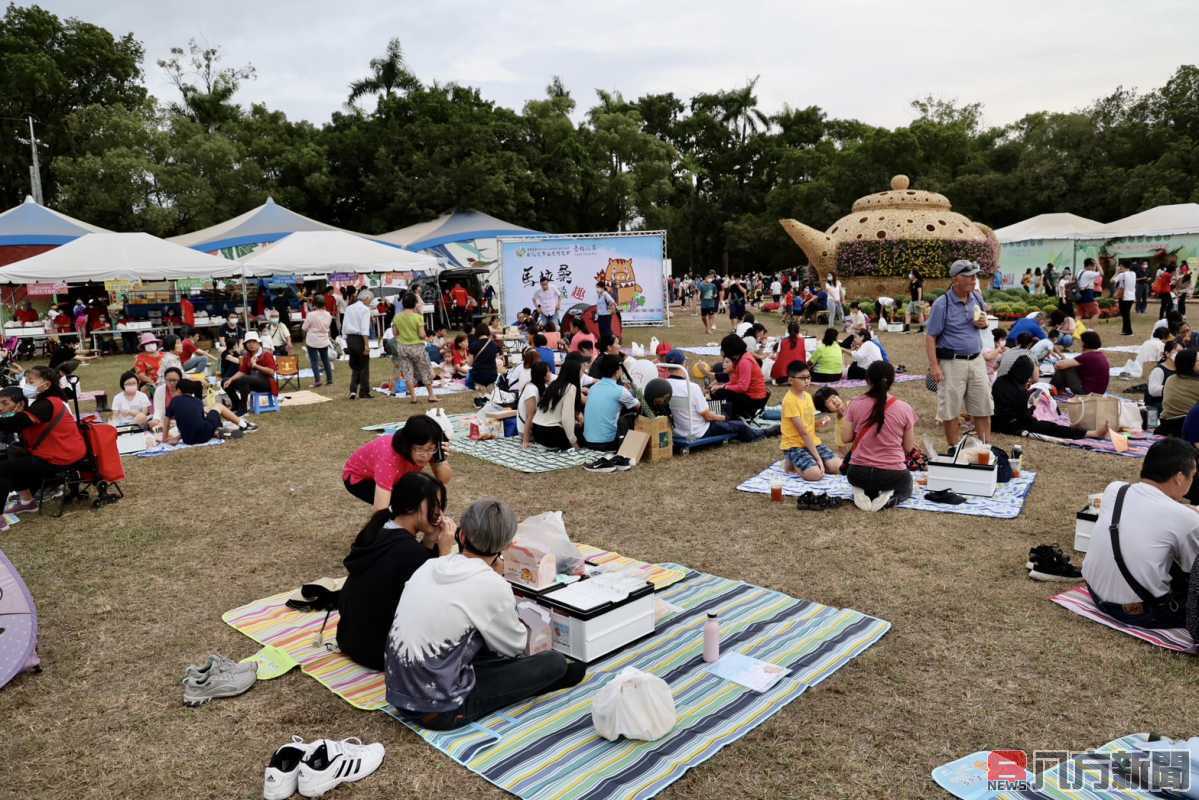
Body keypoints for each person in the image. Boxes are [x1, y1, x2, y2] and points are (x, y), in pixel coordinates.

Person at [386, 498, 586, 730]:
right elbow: (514, 646)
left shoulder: (428, 566)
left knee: (475, 638)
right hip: (439, 709)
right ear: (508, 545)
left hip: (397, 692)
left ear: (462, 536)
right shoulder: (491, 584)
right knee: (555, 663)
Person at [337, 473, 454, 671]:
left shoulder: (378, 531)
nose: (439, 514)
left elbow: (410, 569)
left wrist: (429, 542)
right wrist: (444, 553)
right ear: (410, 507)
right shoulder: (407, 551)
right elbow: (437, 602)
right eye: (434, 505)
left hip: (349, 639)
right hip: (380, 653)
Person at [1081, 437, 1199, 629]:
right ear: (1179, 478)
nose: (1192, 481)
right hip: (1141, 613)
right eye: (1192, 476)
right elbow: (1192, 573)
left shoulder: (1115, 489)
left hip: (1095, 593)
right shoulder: (1186, 519)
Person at [0, 371, 88, 530]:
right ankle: (28, 502)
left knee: (3, 468)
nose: (26, 384)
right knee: (15, 453)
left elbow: (15, 423)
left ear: (46, 385)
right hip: (62, 451)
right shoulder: (46, 402)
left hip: (61, 456)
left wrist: (15, 416)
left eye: (30, 381)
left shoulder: (46, 404)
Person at [925, 259, 993, 445]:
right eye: (969, 277)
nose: (973, 280)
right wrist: (934, 367)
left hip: (976, 360)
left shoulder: (977, 297)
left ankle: (985, 450)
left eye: (974, 276)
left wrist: (983, 323)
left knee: (983, 408)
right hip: (951, 363)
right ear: (956, 280)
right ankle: (954, 449)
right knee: (951, 411)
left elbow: (984, 320)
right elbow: (931, 337)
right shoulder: (942, 304)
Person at [840, 361, 917, 509]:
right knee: (906, 483)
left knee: (866, 481)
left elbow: (845, 438)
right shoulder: (905, 408)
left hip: (857, 473)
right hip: (892, 474)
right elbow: (908, 447)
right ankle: (891, 496)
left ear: (867, 380)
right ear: (892, 380)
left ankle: (861, 491)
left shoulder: (855, 404)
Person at [342, 415, 452, 510]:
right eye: (419, 449)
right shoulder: (389, 459)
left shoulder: (430, 448)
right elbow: (380, 510)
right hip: (358, 478)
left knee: (429, 495)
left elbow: (444, 479)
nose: (425, 455)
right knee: (403, 505)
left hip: (396, 475)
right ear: (407, 444)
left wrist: (440, 459)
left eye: (430, 449)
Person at [992, 356, 1107, 439]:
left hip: (994, 421)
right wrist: (1033, 407)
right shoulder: (1020, 391)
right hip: (1009, 425)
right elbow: (1025, 418)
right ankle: (1090, 434)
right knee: (1051, 427)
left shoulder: (1000, 380)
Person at [661, 351, 764, 443]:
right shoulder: (691, 388)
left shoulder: (663, 386)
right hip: (698, 431)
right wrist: (724, 418)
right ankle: (766, 433)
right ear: (684, 364)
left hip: (677, 431)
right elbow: (708, 417)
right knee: (739, 425)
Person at [780, 360, 842, 480]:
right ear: (791, 380)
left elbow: (809, 425)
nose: (807, 381)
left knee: (838, 467)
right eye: (802, 378)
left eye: (808, 377)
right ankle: (792, 462)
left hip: (811, 441)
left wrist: (819, 423)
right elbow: (803, 432)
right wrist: (818, 457)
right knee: (815, 475)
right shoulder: (789, 401)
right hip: (794, 445)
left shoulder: (807, 396)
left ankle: (810, 461)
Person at [163, 371, 252, 444]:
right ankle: (243, 425)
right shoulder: (197, 401)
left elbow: (166, 420)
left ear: (179, 390)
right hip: (204, 435)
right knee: (218, 406)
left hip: (188, 440)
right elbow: (199, 421)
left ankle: (216, 431)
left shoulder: (174, 401)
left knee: (195, 423)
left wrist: (165, 438)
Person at [582, 354, 640, 450]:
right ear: (617, 371)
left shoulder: (593, 387)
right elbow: (639, 407)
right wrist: (636, 391)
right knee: (631, 416)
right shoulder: (620, 391)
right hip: (606, 443)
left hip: (587, 441)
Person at [391, 293, 438, 406]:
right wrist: (426, 337)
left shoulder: (397, 317)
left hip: (402, 347)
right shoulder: (418, 317)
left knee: (408, 372)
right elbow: (421, 335)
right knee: (424, 370)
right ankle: (431, 395)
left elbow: (395, 333)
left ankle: (413, 396)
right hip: (416, 347)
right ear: (414, 303)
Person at [710, 333, 769, 421]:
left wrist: (723, 386)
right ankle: (723, 413)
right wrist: (720, 386)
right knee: (719, 391)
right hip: (752, 395)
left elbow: (742, 387)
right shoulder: (741, 358)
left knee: (721, 392)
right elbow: (734, 380)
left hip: (755, 399)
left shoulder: (744, 362)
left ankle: (729, 416)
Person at [532, 358, 585, 449]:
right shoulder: (570, 388)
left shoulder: (553, 384)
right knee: (582, 435)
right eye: (581, 370)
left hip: (537, 431)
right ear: (575, 372)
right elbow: (566, 418)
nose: (583, 372)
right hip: (551, 434)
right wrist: (574, 442)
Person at [222, 331, 277, 415]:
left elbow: (271, 372)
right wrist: (231, 379)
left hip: (266, 382)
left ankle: (243, 408)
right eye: (248, 342)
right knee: (225, 381)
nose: (251, 344)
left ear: (259, 343)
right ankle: (236, 404)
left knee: (244, 379)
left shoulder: (266, 354)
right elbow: (242, 371)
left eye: (253, 342)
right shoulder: (247, 356)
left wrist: (256, 366)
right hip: (251, 382)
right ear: (245, 344)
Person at [1050, 331, 1109, 395]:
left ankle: (1051, 389)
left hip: (1086, 392)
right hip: (1098, 391)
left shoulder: (1088, 356)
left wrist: (1064, 363)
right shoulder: (1100, 355)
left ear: (1084, 343)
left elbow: (1058, 365)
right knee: (1068, 366)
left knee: (1065, 368)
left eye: (1081, 341)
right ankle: (1056, 389)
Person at [343, 288, 374, 400]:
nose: (370, 302)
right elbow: (364, 329)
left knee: (355, 365)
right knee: (364, 366)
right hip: (360, 338)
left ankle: (352, 390)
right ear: (366, 298)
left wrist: (345, 340)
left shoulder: (349, 308)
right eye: (370, 300)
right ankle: (364, 392)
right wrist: (366, 345)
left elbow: (344, 326)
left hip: (350, 339)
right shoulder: (365, 309)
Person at [1159, 349, 1199, 436]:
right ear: (1190, 364)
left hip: (1165, 426)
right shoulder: (1196, 383)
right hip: (1188, 429)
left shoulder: (1170, 379)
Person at [302, 294, 334, 387]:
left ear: (314, 304)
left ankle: (317, 381)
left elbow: (304, 328)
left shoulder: (311, 315)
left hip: (312, 340)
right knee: (325, 360)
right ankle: (329, 379)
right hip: (324, 339)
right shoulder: (328, 315)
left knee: (314, 361)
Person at [518, 362, 551, 447]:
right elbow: (530, 415)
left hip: (532, 428)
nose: (550, 373)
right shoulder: (531, 389)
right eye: (548, 371)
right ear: (543, 375)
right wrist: (525, 441)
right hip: (527, 431)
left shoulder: (539, 386)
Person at [1145, 340, 1179, 424]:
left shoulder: (1181, 370)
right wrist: (1174, 389)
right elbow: (1153, 391)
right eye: (1176, 352)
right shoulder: (1159, 370)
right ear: (1167, 353)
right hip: (1155, 408)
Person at [466, 324, 500, 394]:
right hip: (492, 374)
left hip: (479, 374)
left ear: (477, 332)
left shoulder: (474, 345)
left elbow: (470, 363)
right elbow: (497, 358)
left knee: (481, 396)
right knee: (492, 395)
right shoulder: (494, 344)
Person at [1112, 262, 1137, 336]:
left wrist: (1116, 272)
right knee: (1125, 314)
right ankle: (1125, 330)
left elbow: (1112, 280)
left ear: (1122, 266)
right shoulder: (1133, 273)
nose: (1119, 268)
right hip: (1131, 296)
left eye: (1120, 267)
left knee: (1125, 314)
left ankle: (1129, 331)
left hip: (1124, 296)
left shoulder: (1121, 275)